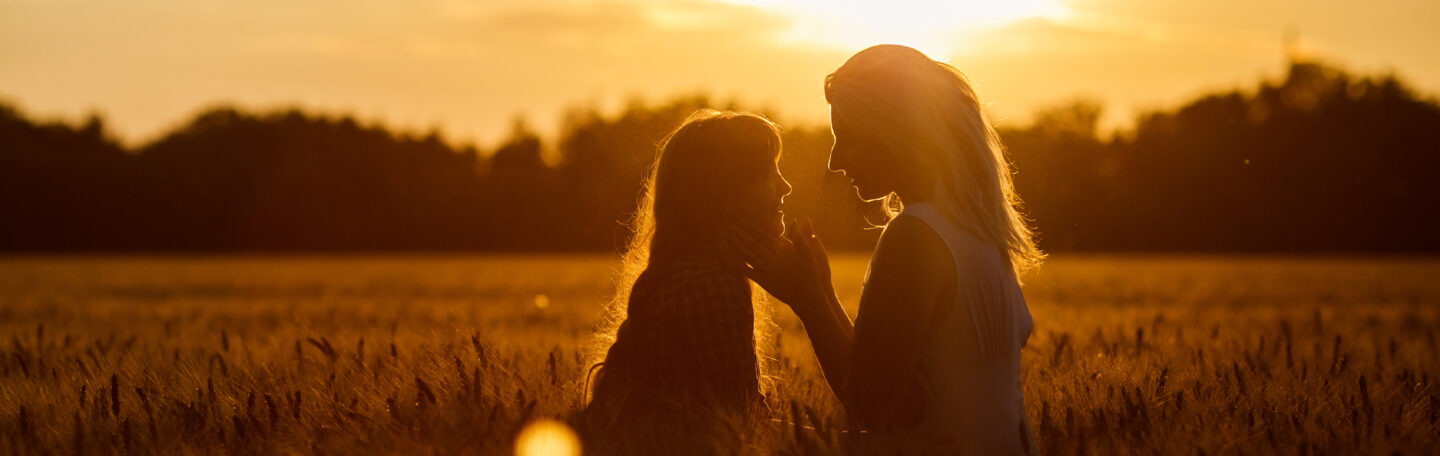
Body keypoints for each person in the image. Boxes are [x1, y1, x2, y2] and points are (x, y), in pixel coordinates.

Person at [732, 44, 1044, 454]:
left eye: (849, 139)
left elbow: (871, 403)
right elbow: (887, 369)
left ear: (896, 133)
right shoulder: (980, 231)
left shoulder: (914, 237)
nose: (834, 161)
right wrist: (822, 289)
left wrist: (808, 300)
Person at [580, 109, 792, 454]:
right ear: (722, 196)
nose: (785, 186)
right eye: (767, 173)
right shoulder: (709, 285)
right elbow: (743, 421)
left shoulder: (698, 272)